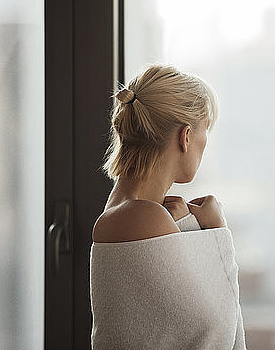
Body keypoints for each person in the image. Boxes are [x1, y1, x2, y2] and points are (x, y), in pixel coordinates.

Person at [90, 64, 247, 349]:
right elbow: (218, 334)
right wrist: (216, 231)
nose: (205, 144)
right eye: (205, 132)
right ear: (185, 137)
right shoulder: (140, 216)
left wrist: (185, 227)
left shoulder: (136, 211)